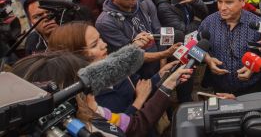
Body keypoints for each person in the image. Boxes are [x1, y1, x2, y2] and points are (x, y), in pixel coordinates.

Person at [12, 51, 192, 137]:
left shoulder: (94, 113)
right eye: (82, 89)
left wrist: (167, 83)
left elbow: (134, 126)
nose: (104, 45)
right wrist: (138, 101)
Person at [95, 0, 178, 78]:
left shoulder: (146, 3)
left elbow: (160, 32)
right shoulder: (106, 22)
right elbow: (131, 56)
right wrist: (166, 54)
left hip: (160, 54)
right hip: (137, 67)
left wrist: (163, 63)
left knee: (178, 38)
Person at [199, 0, 261, 96]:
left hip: (253, 90)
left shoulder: (259, 24)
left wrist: (255, 66)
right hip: (220, 88)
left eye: (229, 2)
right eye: (219, 1)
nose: (222, 7)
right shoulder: (208, 22)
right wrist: (207, 59)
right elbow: (193, 49)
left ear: (243, 1)